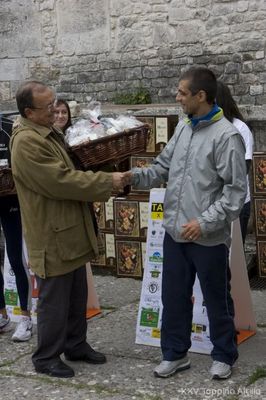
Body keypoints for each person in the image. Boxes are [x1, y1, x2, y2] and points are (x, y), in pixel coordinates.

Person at [126, 67, 247, 380]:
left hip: (207, 237)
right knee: (173, 297)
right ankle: (175, 354)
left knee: (216, 298)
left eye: (182, 92)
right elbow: (162, 167)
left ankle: (223, 355)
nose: (176, 97)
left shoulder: (227, 136)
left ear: (200, 96)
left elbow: (235, 193)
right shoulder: (182, 127)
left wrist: (204, 223)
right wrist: (131, 178)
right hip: (175, 233)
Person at [10, 81, 127, 378]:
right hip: (52, 233)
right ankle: (46, 356)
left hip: (69, 228)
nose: (56, 110)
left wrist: (104, 166)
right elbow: (60, 181)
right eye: (48, 106)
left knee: (77, 294)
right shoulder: (27, 142)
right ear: (29, 112)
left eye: (55, 103)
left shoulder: (50, 133)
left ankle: (76, 344)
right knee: (54, 300)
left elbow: (75, 168)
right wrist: (106, 183)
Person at [0, 114, 33, 341]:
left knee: (15, 258)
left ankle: (26, 318)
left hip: (10, 199)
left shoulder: (8, 126)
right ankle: (2, 315)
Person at [216, 81, 254, 244]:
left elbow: (244, 167)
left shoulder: (240, 128)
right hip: (211, 205)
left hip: (236, 205)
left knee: (234, 254)